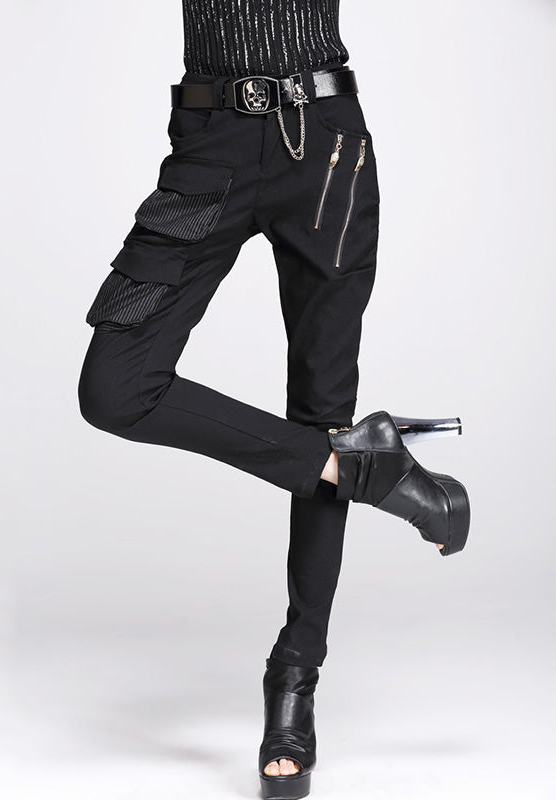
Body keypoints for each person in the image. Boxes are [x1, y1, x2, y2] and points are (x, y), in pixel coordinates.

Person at [77, 2, 470, 797]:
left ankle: (294, 680)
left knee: (323, 411)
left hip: (324, 145)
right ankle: (368, 468)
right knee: (115, 387)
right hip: (208, 149)